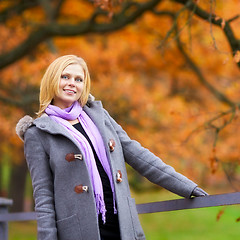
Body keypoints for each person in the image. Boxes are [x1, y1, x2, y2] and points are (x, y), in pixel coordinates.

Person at [16, 55, 208, 240]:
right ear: (51, 80)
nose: (72, 83)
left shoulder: (99, 116)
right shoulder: (38, 133)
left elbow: (138, 155)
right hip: (79, 231)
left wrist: (187, 187)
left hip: (122, 224)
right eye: (64, 77)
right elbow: (43, 197)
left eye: (78, 79)